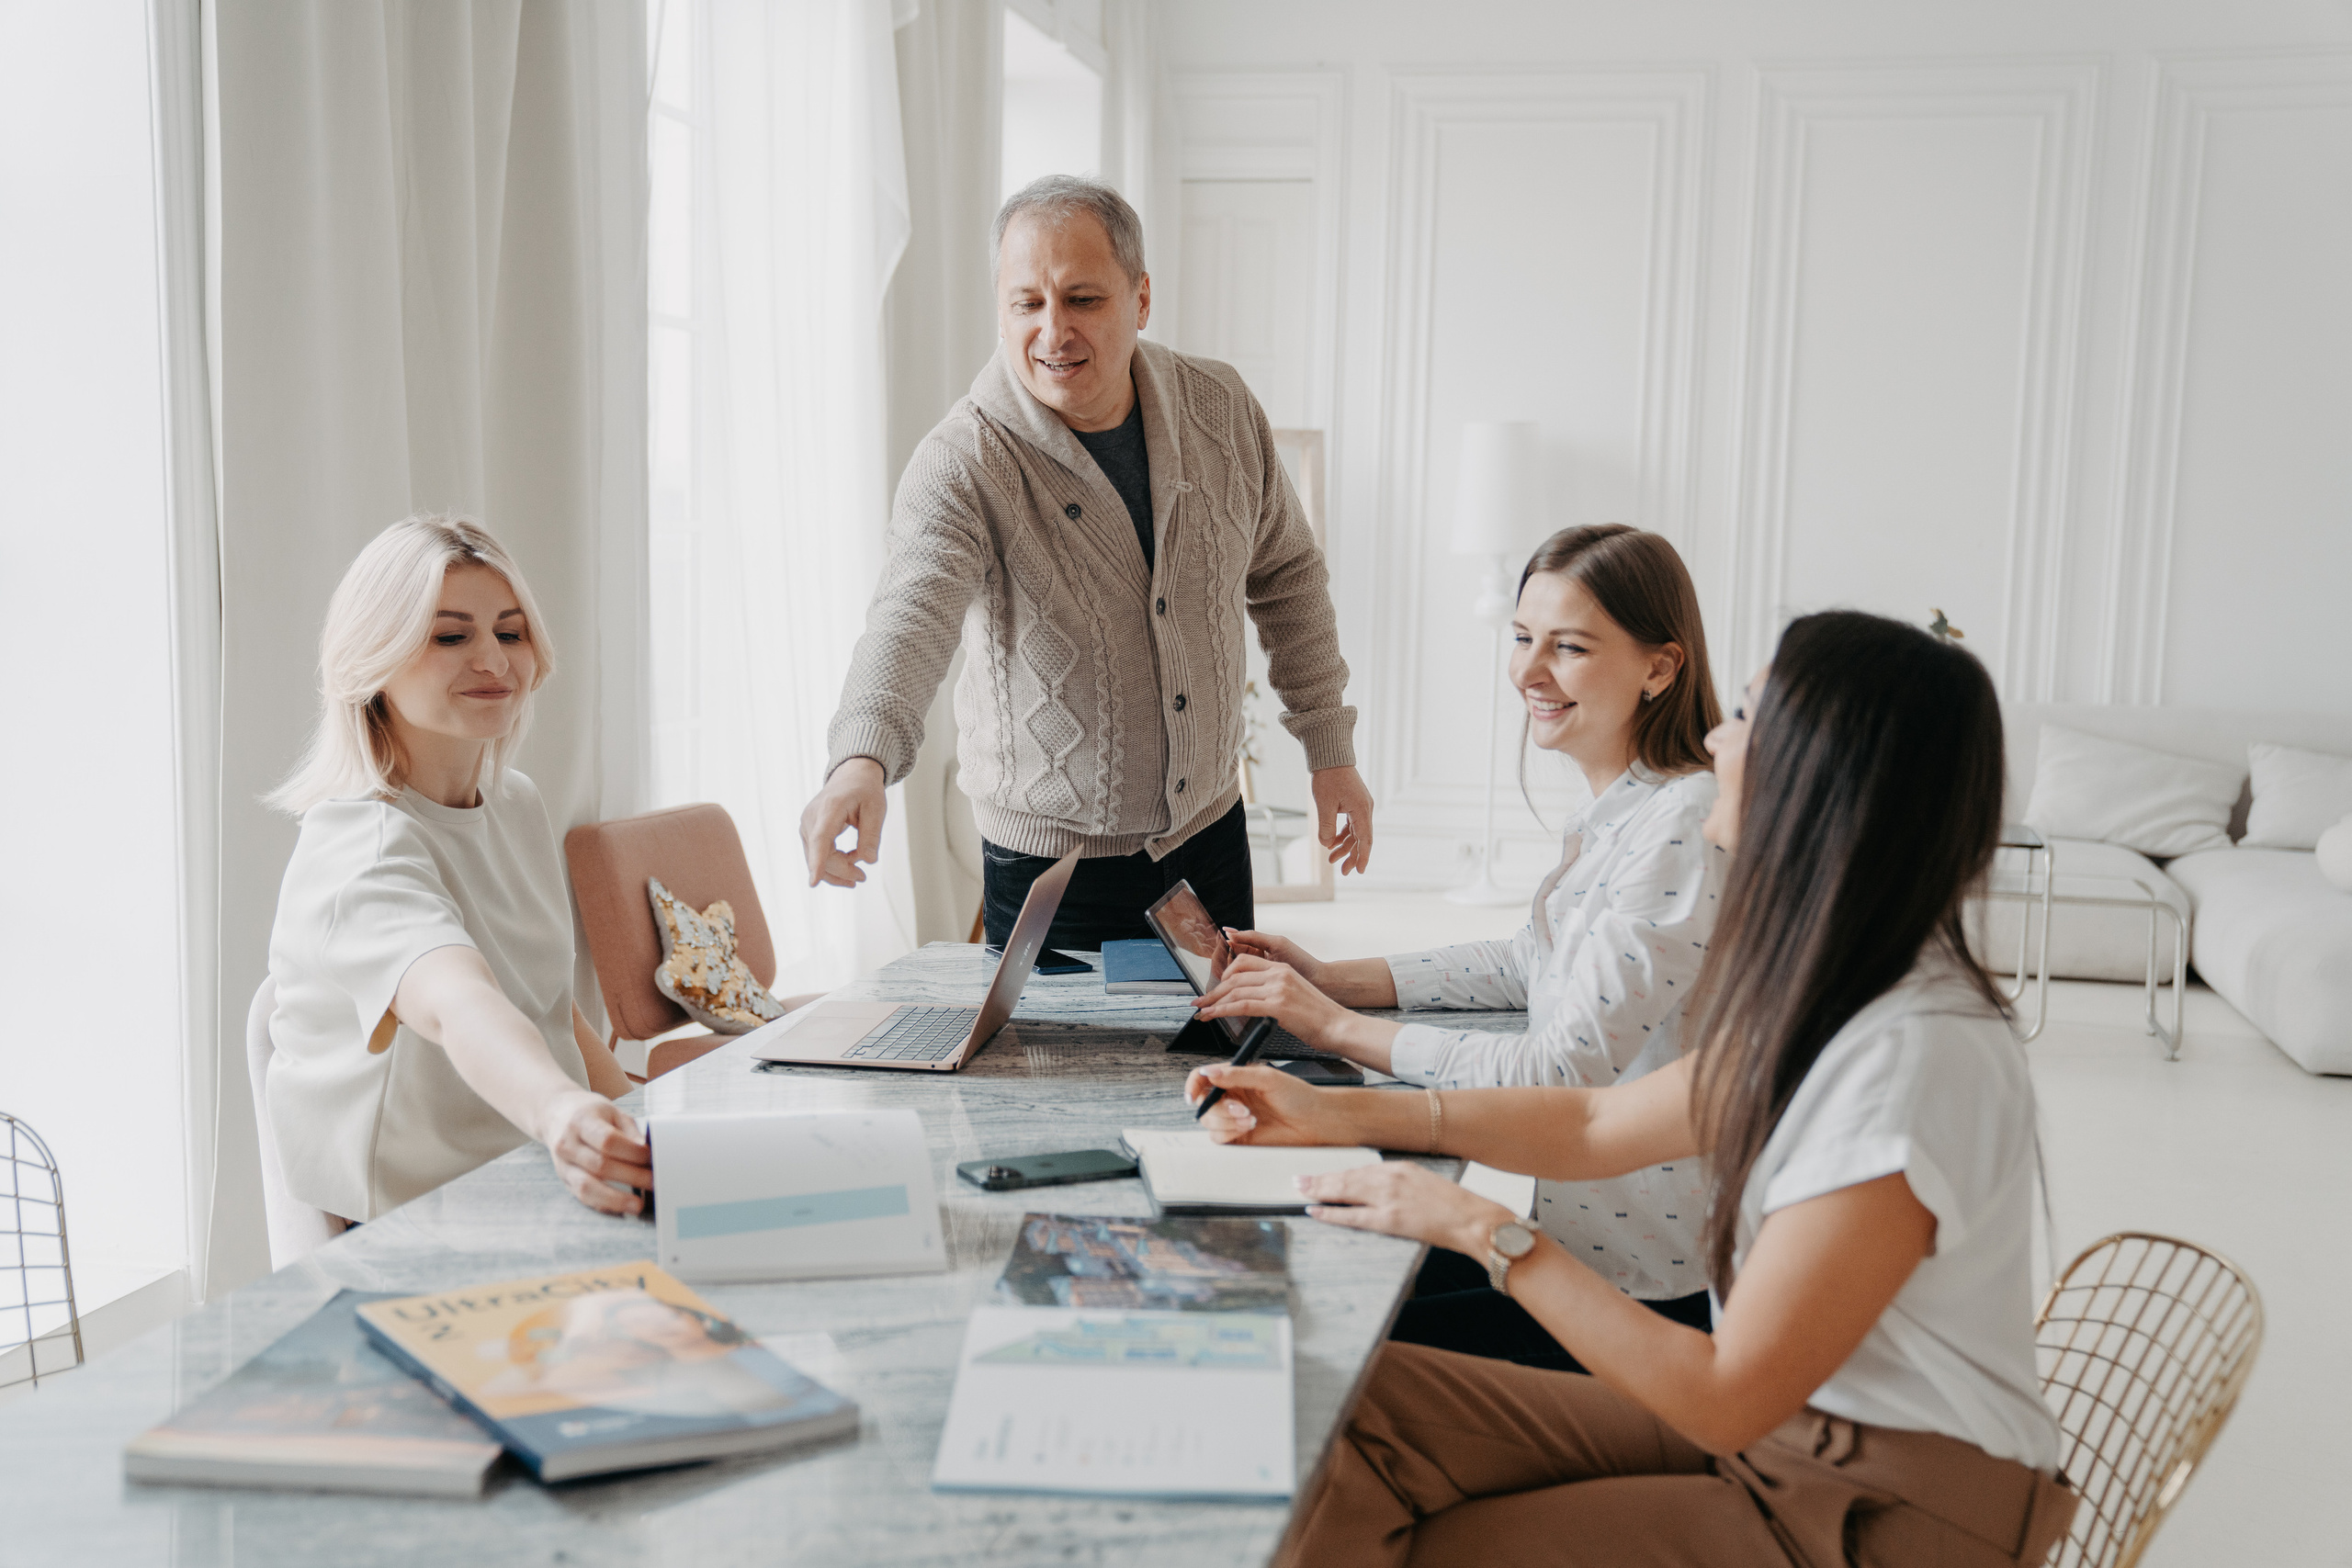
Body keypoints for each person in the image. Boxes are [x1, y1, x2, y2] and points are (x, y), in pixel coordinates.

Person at [1187, 611, 2075, 1566]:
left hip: (1887, 1509)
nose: (1719, 739)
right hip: (1790, 1435)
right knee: (1347, 1407)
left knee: (1436, 1542)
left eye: (1744, 716)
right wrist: (1335, 1111)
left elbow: (1726, 1390)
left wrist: (1477, 1228)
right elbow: (1597, 1120)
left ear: (1817, 775)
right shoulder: (1838, 988)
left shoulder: (1910, 1055)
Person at [1194, 525, 1725, 1369]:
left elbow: (1557, 1074)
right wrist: (1334, 977)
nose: (1528, 672)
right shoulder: (1628, 807)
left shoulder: (1682, 825)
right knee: (1307, 1271)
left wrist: (1335, 1026)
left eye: (1570, 647)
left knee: (1316, 1327)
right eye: (1522, 639)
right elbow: (1527, 961)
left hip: (1643, 1298)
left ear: (1661, 667)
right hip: (1584, 1258)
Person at [799, 175, 1374, 951]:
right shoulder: (964, 461)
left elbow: (1287, 575)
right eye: (1026, 303)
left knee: (1220, 1060)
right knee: (1055, 1073)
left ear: (1141, 300)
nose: (1052, 331)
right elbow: (908, 619)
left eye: (1083, 300)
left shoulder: (1221, 408)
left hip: (1208, 834)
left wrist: (1328, 749)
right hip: (1052, 867)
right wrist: (859, 761)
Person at [265, 514, 650, 1224]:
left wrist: (639, 1122)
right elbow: (460, 1002)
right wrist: (562, 1108)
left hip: (535, 1172)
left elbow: (543, 1003)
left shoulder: (514, 802)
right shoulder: (362, 846)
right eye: (450, 636)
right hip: (424, 1218)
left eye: (509, 632)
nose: (494, 661)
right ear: (371, 661)